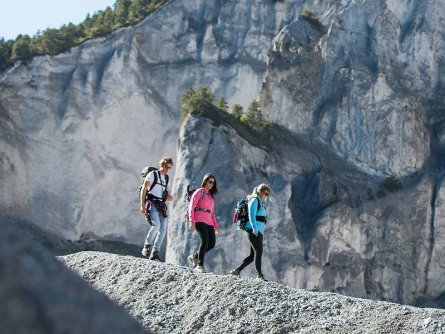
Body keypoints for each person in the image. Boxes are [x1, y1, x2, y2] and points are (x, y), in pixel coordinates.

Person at [229, 184, 271, 281]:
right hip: (254, 230)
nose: (266, 196)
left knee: (253, 255)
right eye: (265, 193)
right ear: (260, 192)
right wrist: (254, 228)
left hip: (258, 231)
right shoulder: (254, 200)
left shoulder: (260, 201)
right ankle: (259, 275)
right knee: (259, 251)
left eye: (268, 194)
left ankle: (237, 271)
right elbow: (252, 215)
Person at [139, 157, 174, 261]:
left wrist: (169, 197)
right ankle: (147, 245)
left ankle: (155, 252)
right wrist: (142, 205)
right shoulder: (152, 175)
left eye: (169, 168)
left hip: (161, 205)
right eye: (166, 166)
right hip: (152, 203)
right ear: (161, 164)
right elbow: (144, 190)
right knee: (156, 225)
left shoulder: (167, 178)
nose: (167, 169)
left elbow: (167, 193)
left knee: (163, 229)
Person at [187, 173, 220, 273]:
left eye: (213, 183)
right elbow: (191, 206)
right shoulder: (199, 192)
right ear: (205, 181)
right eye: (210, 182)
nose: (211, 184)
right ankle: (200, 265)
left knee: (211, 244)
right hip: (199, 219)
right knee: (205, 241)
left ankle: (195, 256)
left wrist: (216, 227)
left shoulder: (211, 196)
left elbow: (212, 213)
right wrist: (191, 220)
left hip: (209, 221)